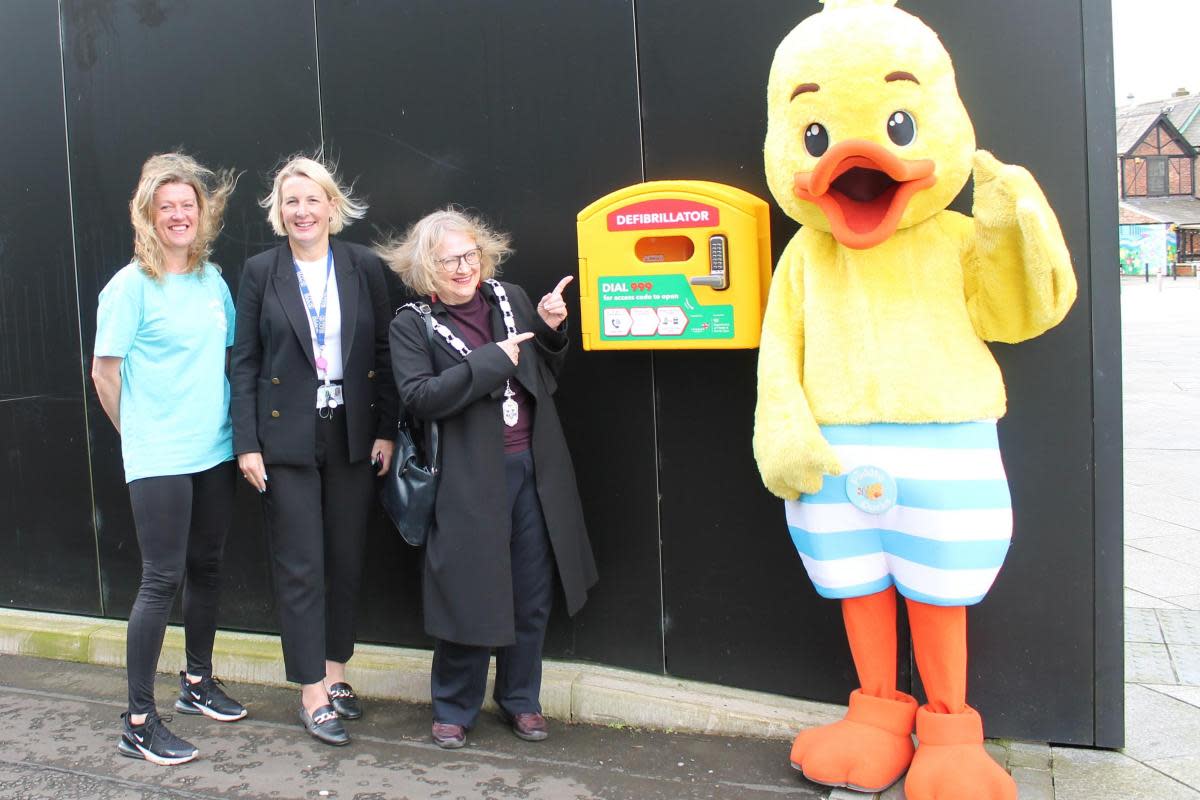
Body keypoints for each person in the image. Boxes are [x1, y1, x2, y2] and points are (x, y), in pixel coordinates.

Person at [379, 208, 597, 749]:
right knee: (467, 591)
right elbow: (421, 397)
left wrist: (549, 330)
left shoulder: (511, 298)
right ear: (427, 266)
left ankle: (521, 699)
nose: (463, 268)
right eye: (449, 259)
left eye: (470, 255)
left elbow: (543, 376)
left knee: (531, 590)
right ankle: (454, 706)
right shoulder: (412, 323)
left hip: (533, 468)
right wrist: (490, 362)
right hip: (466, 479)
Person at [230, 156, 397, 747]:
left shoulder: (362, 266)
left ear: (332, 205)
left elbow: (383, 350)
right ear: (279, 213)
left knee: (345, 558)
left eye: (311, 199)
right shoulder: (259, 271)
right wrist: (246, 441)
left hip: (351, 434)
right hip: (286, 438)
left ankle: (336, 674)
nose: (301, 211)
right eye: (290, 202)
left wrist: (386, 428)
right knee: (300, 563)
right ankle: (310, 692)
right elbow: (245, 359)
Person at [92, 152, 245, 766]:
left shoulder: (213, 281)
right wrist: (141, 437)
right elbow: (105, 374)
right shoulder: (128, 287)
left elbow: (232, 358)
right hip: (159, 456)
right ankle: (137, 720)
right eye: (167, 207)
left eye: (188, 206)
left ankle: (197, 683)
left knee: (206, 566)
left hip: (214, 449)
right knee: (162, 579)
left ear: (201, 214)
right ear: (148, 216)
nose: (179, 215)